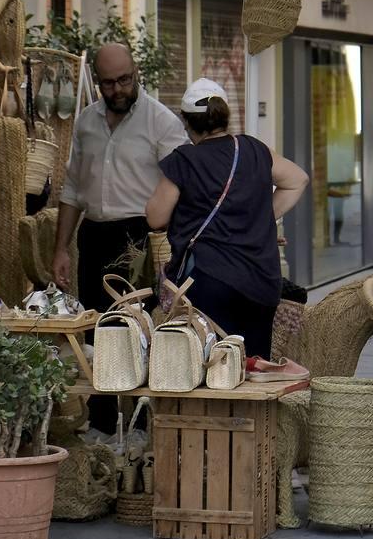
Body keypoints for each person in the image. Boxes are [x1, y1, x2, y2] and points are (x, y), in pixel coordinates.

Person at [145, 78, 309, 357]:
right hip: (262, 284)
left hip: (210, 282)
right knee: (254, 366)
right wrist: (260, 218)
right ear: (225, 115)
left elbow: (155, 217)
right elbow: (297, 180)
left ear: (186, 121)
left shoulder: (185, 160)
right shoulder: (254, 149)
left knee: (213, 369)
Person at [52, 43, 189, 313]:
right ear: (97, 81)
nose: (118, 90)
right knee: (96, 326)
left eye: (124, 80)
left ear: (135, 71)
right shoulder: (86, 122)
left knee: (133, 329)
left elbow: (183, 185)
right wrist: (60, 249)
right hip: (92, 236)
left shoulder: (161, 122)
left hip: (138, 238)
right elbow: (72, 190)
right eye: (108, 83)